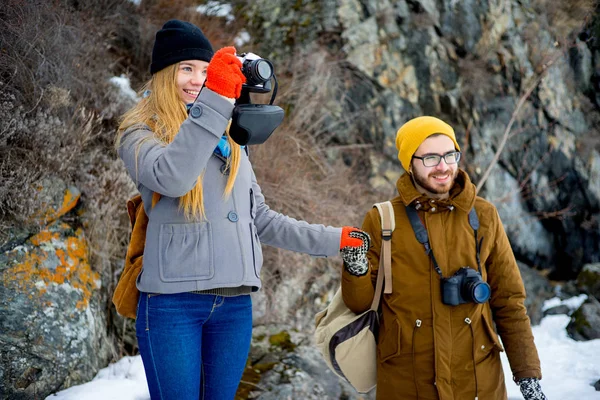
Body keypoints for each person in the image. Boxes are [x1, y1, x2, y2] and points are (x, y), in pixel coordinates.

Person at [115, 19, 368, 400]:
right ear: (165, 74)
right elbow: (173, 178)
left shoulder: (230, 140)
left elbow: (261, 219)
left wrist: (339, 240)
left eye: (206, 70)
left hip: (234, 308)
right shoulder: (140, 134)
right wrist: (217, 98)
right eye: (187, 68)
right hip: (172, 307)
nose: (197, 79)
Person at [340, 116, 547, 400]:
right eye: (431, 158)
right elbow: (359, 304)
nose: (443, 166)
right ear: (409, 162)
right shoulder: (382, 220)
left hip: (478, 383)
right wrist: (356, 267)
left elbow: (509, 301)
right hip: (406, 385)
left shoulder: (483, 215)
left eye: (450, 155)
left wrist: (528, 376)